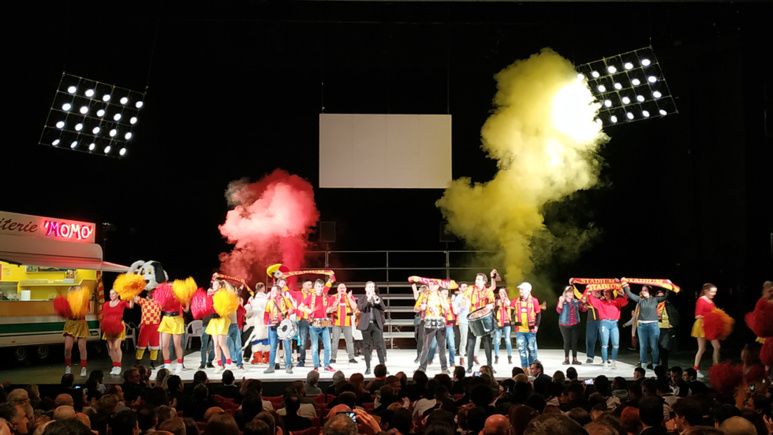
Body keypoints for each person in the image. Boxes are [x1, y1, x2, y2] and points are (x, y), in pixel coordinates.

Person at [623, 283, 668, 370]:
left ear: (649, 291)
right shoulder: (640, 300)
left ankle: (655, 364)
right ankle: (643, 364)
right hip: (642, 326)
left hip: (653, 325)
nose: (643, 292)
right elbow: (630, 294)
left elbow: (665, 296)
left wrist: (668, 287)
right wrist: (625, 285)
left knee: (654, 346)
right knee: (643, 346)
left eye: (645, 290)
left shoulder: (655, 300)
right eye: (642, 290)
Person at [298, 278, 336, 372]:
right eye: (318, 287)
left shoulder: (326, 297)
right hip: (313, 324)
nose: (320, 289)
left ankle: (327, 365)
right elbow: (300, 307)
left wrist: (332, 308)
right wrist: (308, 310)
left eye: (321, 287)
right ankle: (316, 366)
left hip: (324, 324)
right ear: (314, 287)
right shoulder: (310, 297)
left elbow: (329, 309)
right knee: (314, 347)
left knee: (327, 346)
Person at [463, 270, 497, 374]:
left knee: (487, 342)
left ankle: (490, 366)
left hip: (484, 318)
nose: (476, 281)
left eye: (478, 279)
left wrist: (489, 306)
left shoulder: (488, 291)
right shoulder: (470, 289)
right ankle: (469, 366)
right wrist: (468, 304)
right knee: (471, 342)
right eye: (476, 279)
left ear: (484, 282)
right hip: (473, 318)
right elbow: (465, 298)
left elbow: (492, 304)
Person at [585, 288, 628, 368]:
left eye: (606, 291)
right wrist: (589, 289)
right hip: (605, 323)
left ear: (610, 292)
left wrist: (623, 289)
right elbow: (590, 299)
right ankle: (605, 361)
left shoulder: (617, 301)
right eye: (603, 292)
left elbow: (625, 300)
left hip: (614, 323)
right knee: (605, 344)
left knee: (616, 344)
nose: (604, 293)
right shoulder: (601, 302)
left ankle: (614, 361)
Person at [415, 282, 450, 374]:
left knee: (442, 347)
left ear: (437, 286)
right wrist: (420, 308)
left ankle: (444, 368)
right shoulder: (424, 295)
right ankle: (422, 367)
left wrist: (444, 305)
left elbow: (447, 308)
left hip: (440, 323)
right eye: (430, 285)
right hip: (429, 323)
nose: (431, 287)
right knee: (425, 347)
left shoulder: (441, 295)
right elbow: (415, 308)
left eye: (433, 285)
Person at [263, 285, 295, 374]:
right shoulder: (269, 302)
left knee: (287, 347)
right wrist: (265, 323)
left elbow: (293, 309)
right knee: (273, 347)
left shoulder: (285, 300)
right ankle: (271, 366)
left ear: (279, 291)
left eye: (274, 291)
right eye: (271, 291)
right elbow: (266, 313)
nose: (272, 293)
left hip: (284, 326)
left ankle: (288, 365)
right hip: (273, 326)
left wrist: (291, 310)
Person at [102, 289, 134, 376]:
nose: (111, 295)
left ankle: (119, 366)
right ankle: (115, 365)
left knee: (116, 347)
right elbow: (104, 316)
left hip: (118, 325)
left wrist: (131, 297)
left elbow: (130, 306)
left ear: (117, 294)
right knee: (111, 348)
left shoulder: (121, 303)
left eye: (113, 294)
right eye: (110, 294)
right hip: (109, 326)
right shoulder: (106, 304)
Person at [357, 281, 386, 375]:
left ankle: (383, 367)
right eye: (369, 287)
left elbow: (383, 308)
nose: (371, 289)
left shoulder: (378, 298)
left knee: (379, 346)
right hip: (366, 325)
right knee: (366, 346)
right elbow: (361, 308)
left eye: (373, 287)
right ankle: (368, 367)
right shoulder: (362, 298)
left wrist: (377, 299)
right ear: (365, 288)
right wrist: (368, 299)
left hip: (376, 325)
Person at [62, 285, 91, 377]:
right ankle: (68, 367)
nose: (81, 291)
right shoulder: (68, 300)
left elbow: (88, 310)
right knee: (67, 348)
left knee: (82, 347)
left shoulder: (85, 300)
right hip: (71, 323)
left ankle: (83, 368)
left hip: (81, 322)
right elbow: (65, 312)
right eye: (78, 290)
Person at [207, 278, 236, 372]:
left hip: (222, 319)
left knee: (221, 343)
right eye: (213, 285)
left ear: (219, 286)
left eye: (215, 285)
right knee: (215, 344)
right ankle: (219, 364)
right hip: (214, 320)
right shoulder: (212, 296)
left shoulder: (224, 295)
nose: (213, 287)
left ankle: (229, 362)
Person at [511, 282, 541, 369]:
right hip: (520, 330)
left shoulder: (534, 301)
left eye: (522, 289)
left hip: (530, 330)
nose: (520, 291)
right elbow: (510, 312)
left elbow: (538, 314)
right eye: (519, 289)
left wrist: (537, 326)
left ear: (528, 290)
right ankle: (524, 368)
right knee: (521, 350)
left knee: (532, 350)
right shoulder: (515, 301)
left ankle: (532, 367)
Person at [692, 283, 720, 371]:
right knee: (702, 348)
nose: (714, 294)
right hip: (701, 325)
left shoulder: (711, 300)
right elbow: (697, 315)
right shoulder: (701, 300)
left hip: (710, 325)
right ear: (706, 291)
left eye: (715, 292)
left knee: (717, 346)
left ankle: (716, 366)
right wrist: (708, 317)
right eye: (712, 292)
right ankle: (696, 368)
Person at [329, 283, 359, 364]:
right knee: (335, 341)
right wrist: (338, 299)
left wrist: (349, 298)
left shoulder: (349, 296)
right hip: (336, 323)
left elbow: (354, 307)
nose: (342, 289)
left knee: (349, 341)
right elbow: (331, 307)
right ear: (337, 289)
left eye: (343, 288)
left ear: (346, 289)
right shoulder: (333, 297)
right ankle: (333, 358)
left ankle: (351, 358)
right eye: (340, 288)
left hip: (347, 323)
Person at [556, 286, 586, 365]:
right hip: (564, 324)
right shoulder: (563, 301)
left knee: (574, 342)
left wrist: (586, 303)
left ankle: (574, 359)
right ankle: (566, 359)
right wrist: (561, 302)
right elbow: (559, 310)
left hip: (575, 324)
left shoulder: (576, 301)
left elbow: (583, 309)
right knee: (567, 341)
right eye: (569, 292)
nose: (571, 294)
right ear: (565, 293)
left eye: (572, 292)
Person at [133, 288, 162, 370]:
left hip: (155, 326)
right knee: (141, 344)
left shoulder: (159, 302)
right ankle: (138, 361)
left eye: (153, 292)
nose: (151, 293)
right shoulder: (143, 301)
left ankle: (152, 363)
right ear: (147, 293)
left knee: (154, 345)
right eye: (150, 292)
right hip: (145, 325)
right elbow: (133, 297)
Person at [244, 282, 269, 364]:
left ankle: (253, 356)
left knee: (254, 338)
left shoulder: (252, 298)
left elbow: (247, 309)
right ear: (263, 288)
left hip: (255, 321)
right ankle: (265, 356)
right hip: (264, 320)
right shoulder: (266, 298)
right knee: (264, 339)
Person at [656, 289, 679, 368]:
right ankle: (655, 363)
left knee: (664, 348)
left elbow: (675, 314)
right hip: (655, 328)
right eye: (658, 296)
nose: (660, 298)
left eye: (662, 296)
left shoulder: (668, 305)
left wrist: (672, 323)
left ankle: (664, 365)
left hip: (665, 329)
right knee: (656, 347)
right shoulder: (654, 304)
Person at [492, 287, 513, 365]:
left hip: (507, 322)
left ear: (505, 293)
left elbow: (511, 310)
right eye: (500, 292)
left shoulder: (508, 301)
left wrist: (507, 304)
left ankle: (509, 357)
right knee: (497, 340)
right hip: (498, 322)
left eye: (503, 292)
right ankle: (496, 357)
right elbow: (494, 311)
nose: (501, 294)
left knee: (507, 340)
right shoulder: (496, 301)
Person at [441, 287, 458, 367]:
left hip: (449, 325)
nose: (446, 292)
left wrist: (453, 302)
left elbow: (455, 311)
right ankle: (443, 363)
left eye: (447, 291)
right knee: (442, 346)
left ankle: (452, 362)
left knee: (451, 345)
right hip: (441, 324)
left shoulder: (450, 300)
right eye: (444, 291)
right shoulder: (438, 300)